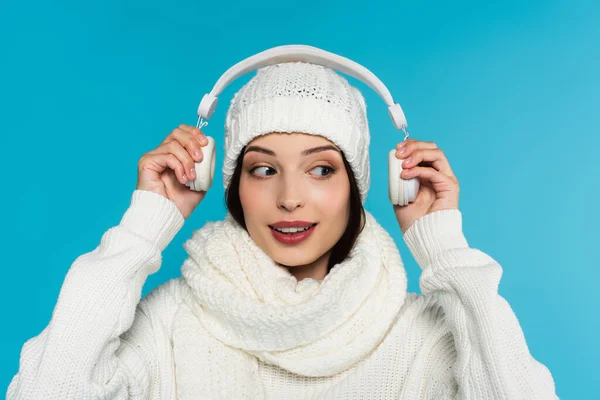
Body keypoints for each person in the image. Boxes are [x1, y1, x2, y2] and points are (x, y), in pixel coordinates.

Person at [7, 62, 558, 399]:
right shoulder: (170, 323)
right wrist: (142, 230)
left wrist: (445, 251)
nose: (289, 197)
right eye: (263, 169)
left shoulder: (420, 336)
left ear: (359, 186)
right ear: (232, 186)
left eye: (321, 169)